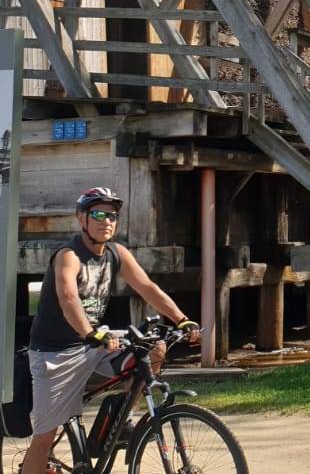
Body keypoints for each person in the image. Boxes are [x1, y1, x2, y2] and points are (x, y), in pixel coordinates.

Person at [21, 188, 202, 474]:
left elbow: (148, 288)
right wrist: (90, 333)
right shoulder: (69, 256)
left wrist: (182, 319)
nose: (106, 221)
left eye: (112, 216)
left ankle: (122, 419)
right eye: (98, 214)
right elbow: (68, 297)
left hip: (94, 345)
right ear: (81, 218)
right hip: (56, 354)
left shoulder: (116, 253)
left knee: (153, 349)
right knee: (44, 438)